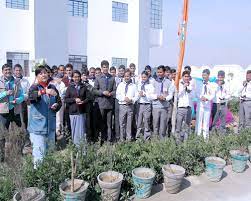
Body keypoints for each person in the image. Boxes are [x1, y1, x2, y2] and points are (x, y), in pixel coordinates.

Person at [28, 66, 61, 166]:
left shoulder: (53, 87)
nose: (44, 75)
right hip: (38, 127)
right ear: (37, 76)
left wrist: (56, 105)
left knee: (50, 154)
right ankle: (38, 179)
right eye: (41, 73)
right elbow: (31, 97)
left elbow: (59, 102)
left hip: (50, 127)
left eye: (45, 73)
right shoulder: (34, 87)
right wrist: (43, 91)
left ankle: (49, 177)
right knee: (39, 156)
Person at [0, 64, 24, 162]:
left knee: (19, 133)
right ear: (2, 71)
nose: (8, 72)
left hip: (15, 110)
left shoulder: (17, 81)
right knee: (1, 135)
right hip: (3, 112)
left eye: (9, 70)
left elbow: (22, 95)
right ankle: (1, 157)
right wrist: (5, 93)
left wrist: (18, 100)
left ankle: (18, 153)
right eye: (6, 70)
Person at [94, 60, 116, 143]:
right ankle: (101, 139)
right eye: (104, 67)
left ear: (108, 67)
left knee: (109, 123)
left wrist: (111, 93)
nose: (105, 69)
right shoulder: (98, 78)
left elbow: (115, 90)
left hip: (110, 104)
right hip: (101, 104)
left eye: (106, 67)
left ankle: (109, 140)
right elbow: (94, 90)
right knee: (101, 123)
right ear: (102, 68)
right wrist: (102, 92)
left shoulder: (112, 78)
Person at [65, 70, 88, 146]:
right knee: (74, 130)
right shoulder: (70, 87)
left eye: (78, 77)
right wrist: (74, 99)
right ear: (72, 78)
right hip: (73, 112)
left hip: (81, 111)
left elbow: (88, 98)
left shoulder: (83, 86)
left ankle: (81, 147)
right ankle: (75, 147)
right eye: (75, 77)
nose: (77, 78)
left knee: (81, 130)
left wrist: (83, 102)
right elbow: (66, 99)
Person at [152, 65, 174, 139]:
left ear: (164, 72)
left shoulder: (169, 82)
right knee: (155, 126)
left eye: (161, 72)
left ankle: (162, 144)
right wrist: (157, 96)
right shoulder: (153, 82)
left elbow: (171, 95)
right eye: (158, 72)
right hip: (155, 107)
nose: (159, 74)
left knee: (163, 126)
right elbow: (150, 94)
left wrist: (165, 98)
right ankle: (155, 142)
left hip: (164, 107)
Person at [116, 69, 138, 141]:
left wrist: (131, 100)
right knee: (122, 123)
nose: (126, 77)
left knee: (129, 124)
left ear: (130, 76)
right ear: (123, 76)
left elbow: (136, 96)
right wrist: (124, 98)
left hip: (130, 106)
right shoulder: (120, 85)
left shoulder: (134, 86)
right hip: (122, 106)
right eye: (125, 76)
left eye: (128, 76)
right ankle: (122, 139)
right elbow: (117, 95)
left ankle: (129, 139)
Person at [195, 69, 215, 139]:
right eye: (203, 75)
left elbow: (213, 95)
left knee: (206, 123)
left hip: (207, 105)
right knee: (198, 122)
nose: (203, 76)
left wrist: (207, 98)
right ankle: (197, 137)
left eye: (205, 75)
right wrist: (201, 97)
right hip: (200, 105)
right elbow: (197, 93)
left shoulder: (211, 85)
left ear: (208, 75)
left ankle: (205, 138)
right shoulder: (199, 84)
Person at [175, 71, 194, 143]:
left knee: (186, 127)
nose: (186, 78)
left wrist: (189, 89)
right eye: (185, 76)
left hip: (188, 108)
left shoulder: (191, 85)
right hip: (181, 108)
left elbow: (193, 96)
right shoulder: (179, 84)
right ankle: (177, 142)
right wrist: (184, 87)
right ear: (182, 77)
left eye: (187, 76)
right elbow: (178, 95)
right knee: (178, 126)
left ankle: (186, 142)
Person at [136, 71, 154, 140]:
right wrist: (139, 94)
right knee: (139, 122)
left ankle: (147, 138)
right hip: (140, 104)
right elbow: (136, 94)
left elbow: (151, 96)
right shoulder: (138, 84)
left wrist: (145, 94)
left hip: (147, 104)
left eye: (145, 77)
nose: (143, 78)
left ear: (147, 77)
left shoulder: (150, 85)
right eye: (142, 77)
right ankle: (138, 138)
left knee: (146, 121)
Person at [13, 64, 30, 129]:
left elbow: (28, 92)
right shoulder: (11, 81)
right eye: (16, 70)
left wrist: (22, 98)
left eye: (19, 70)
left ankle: (25, 133)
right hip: (13, 103)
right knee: (15, 120)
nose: (18, 72)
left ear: (22, 71)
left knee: (24, 118)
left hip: (23, 103)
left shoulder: (25, 81)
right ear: (13, 71)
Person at [50, 72, 67, 138]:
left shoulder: (62, 83)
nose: (58, 79)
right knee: (55, 116)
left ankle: (59, 130)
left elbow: (61, 93)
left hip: (60, 101)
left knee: (60, 117)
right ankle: (55, 130)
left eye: (60, 78)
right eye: (57, 77)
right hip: (52, 101)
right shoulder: (52, 83)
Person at [114, 65, 125, 141]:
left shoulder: (127, 79)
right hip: (117, 100)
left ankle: (123, 135)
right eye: (120, 71)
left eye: (122, 71)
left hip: (125, 101)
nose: (121, 72)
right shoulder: (115, 79)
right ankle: (117, 135)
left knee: (124, 119)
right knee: (117, 118)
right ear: (118, 71)